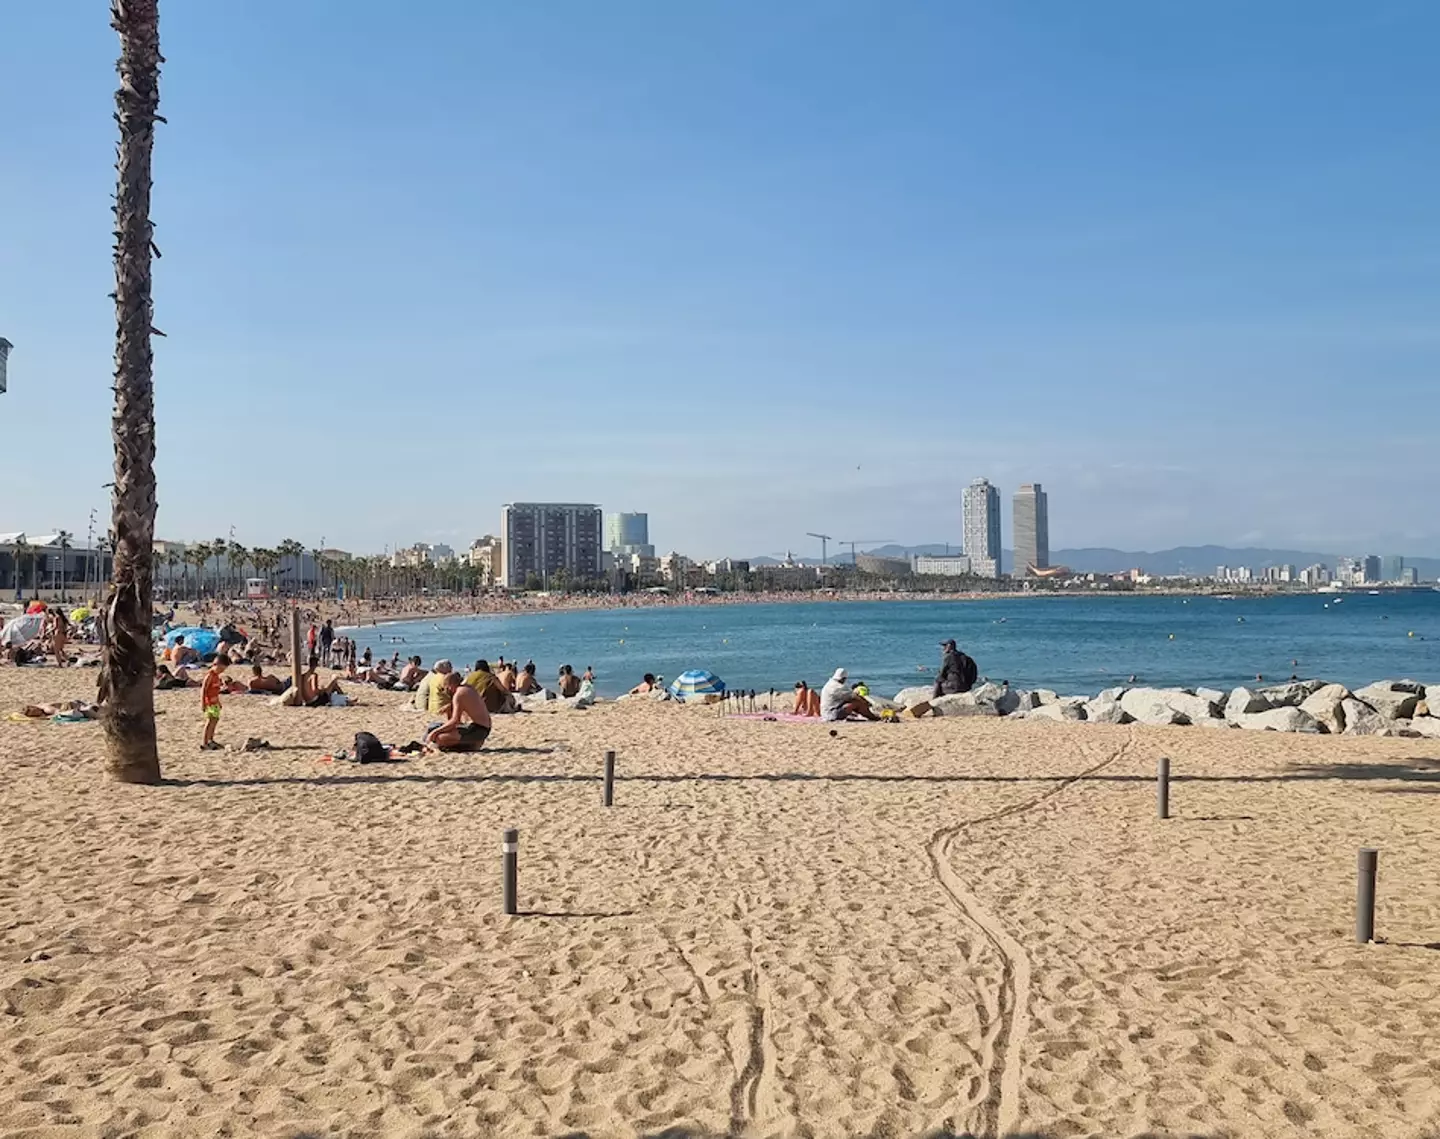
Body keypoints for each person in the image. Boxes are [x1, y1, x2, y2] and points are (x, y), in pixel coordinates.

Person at [426, 671, 492, 752]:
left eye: (446, 687)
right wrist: (449, 707)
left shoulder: (458, 695)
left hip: (478, 729)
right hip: (483, 727)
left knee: (439, 738)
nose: (446, 690)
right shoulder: (467, 688)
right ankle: (470, 743)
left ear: (450, 685)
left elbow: (455, 721)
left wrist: (434, 733)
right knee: (436, 728)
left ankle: (471, 746)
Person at [200, 653, 231, 750]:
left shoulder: (217, 676)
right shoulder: (209, 675)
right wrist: (203, 703)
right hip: (209, 702)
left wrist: (219, 702)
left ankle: (211, 740)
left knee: (215, 720)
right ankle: (205, 742)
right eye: (221, 669)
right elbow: (204, 689)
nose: (222, 671)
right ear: (216, 664)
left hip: (215, 701)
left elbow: (216, 691)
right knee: (210, 721)